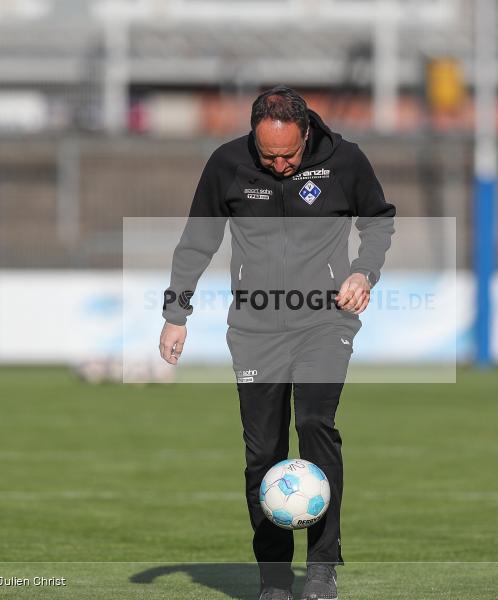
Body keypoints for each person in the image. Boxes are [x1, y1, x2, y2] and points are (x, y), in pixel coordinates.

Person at [159, 85, 394, 600]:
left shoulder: (346, 161)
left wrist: (363, 272)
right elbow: (197, 241)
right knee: (263, 451)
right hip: (254, 329)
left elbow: (378, 220)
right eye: (268, 156)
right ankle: (272, 579)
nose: (280, 164)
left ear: (306, 133)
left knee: (314, 423)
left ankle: (322, 568)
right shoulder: (226, 164)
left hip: (324, 321)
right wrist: (176, 314)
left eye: (288, 154)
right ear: (253, 139)